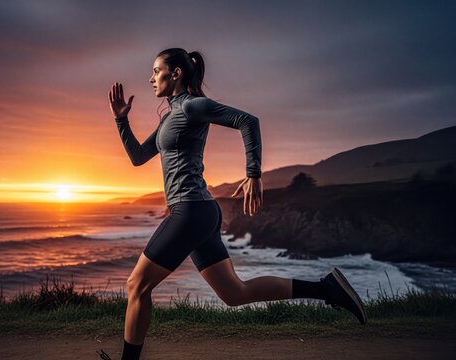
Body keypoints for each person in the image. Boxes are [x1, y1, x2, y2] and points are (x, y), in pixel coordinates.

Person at [107, 48, 367, 360]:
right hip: (199, 212)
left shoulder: (192, 106)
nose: (150, 79)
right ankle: (327, 289)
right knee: (235, 293)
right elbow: (137, 158)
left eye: (156, 70)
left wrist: (253, 174)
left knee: (136, 284)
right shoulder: (169, 119)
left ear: (176, 73)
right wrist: (121, 120)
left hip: (191, 211)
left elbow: (247, 120)